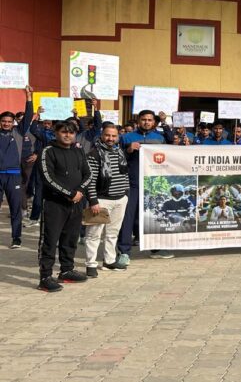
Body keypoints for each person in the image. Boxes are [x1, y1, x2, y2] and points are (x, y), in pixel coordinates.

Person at [38, 121, 93, 292]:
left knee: (70, 238)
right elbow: (48, 178)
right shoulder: (48, 151)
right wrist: (69, 194)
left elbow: (88, 173)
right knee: (49, 240)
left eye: (71, 132)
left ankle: (66, 270)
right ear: (56, 132)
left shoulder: (78, 151)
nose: (68, 135)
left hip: (76, 203)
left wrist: (79, 192)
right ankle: (45, 276)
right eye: (64, 132)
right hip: (55, 204)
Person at [119, 110, 175, 264]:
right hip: (132, 184)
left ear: (153, 122)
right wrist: (129, 150)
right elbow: (117, 157)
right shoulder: (126, 137)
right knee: (128, 218)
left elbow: (170, 150)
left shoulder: (159, 138)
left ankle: (155, 248)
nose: (146, 122)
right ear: (138, 120)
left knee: (152, 216)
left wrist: (165, 123)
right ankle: (124, 251)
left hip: (152, 184)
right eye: (143, 119)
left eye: (149, 120)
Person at [84, 123, 130, 276]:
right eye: (107, 135)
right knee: (94, 234)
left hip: (120, 199)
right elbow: (90, 180)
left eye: (114, 136)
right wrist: (93, 201)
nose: (110, 139)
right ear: (102, 135)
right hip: (101, 200)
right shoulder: (94, 154)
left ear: (118, 137)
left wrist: (125, 194)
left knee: (112, 233)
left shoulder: (120, 152)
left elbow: (124, 174)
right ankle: (91, 264)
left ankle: (109, 261)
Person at [0, 85, 33, 248]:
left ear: (13, 122)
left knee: (15, 208)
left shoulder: (18, 132)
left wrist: (28, 98)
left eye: (9, 121)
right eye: (3, 121)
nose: (6, 124)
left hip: (14, 176)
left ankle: (16, 238)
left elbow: (28, 116)